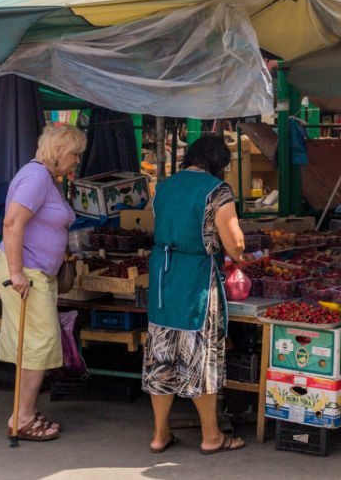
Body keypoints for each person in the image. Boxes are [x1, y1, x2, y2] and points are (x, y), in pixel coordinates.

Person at [143, 134, 246, 456]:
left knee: (161, 355)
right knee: (201, 358)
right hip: (197, 281)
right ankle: (211, 436)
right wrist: (241, 254)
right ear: (219, 163)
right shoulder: (217, 191)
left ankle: (160, 434)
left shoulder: (163, 186)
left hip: (163, 278)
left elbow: (152, 223)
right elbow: (235, 244)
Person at [0, 124, 86, 443]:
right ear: (59, 151)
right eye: (74, 154)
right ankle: (22, 417)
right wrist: (17, 272)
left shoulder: (44, 177)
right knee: (40, 341)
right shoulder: (36, 177)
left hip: (35, 271)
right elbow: (12, 222)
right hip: (26, 272)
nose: (76, 161)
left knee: (34, 342)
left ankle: (23, 412)